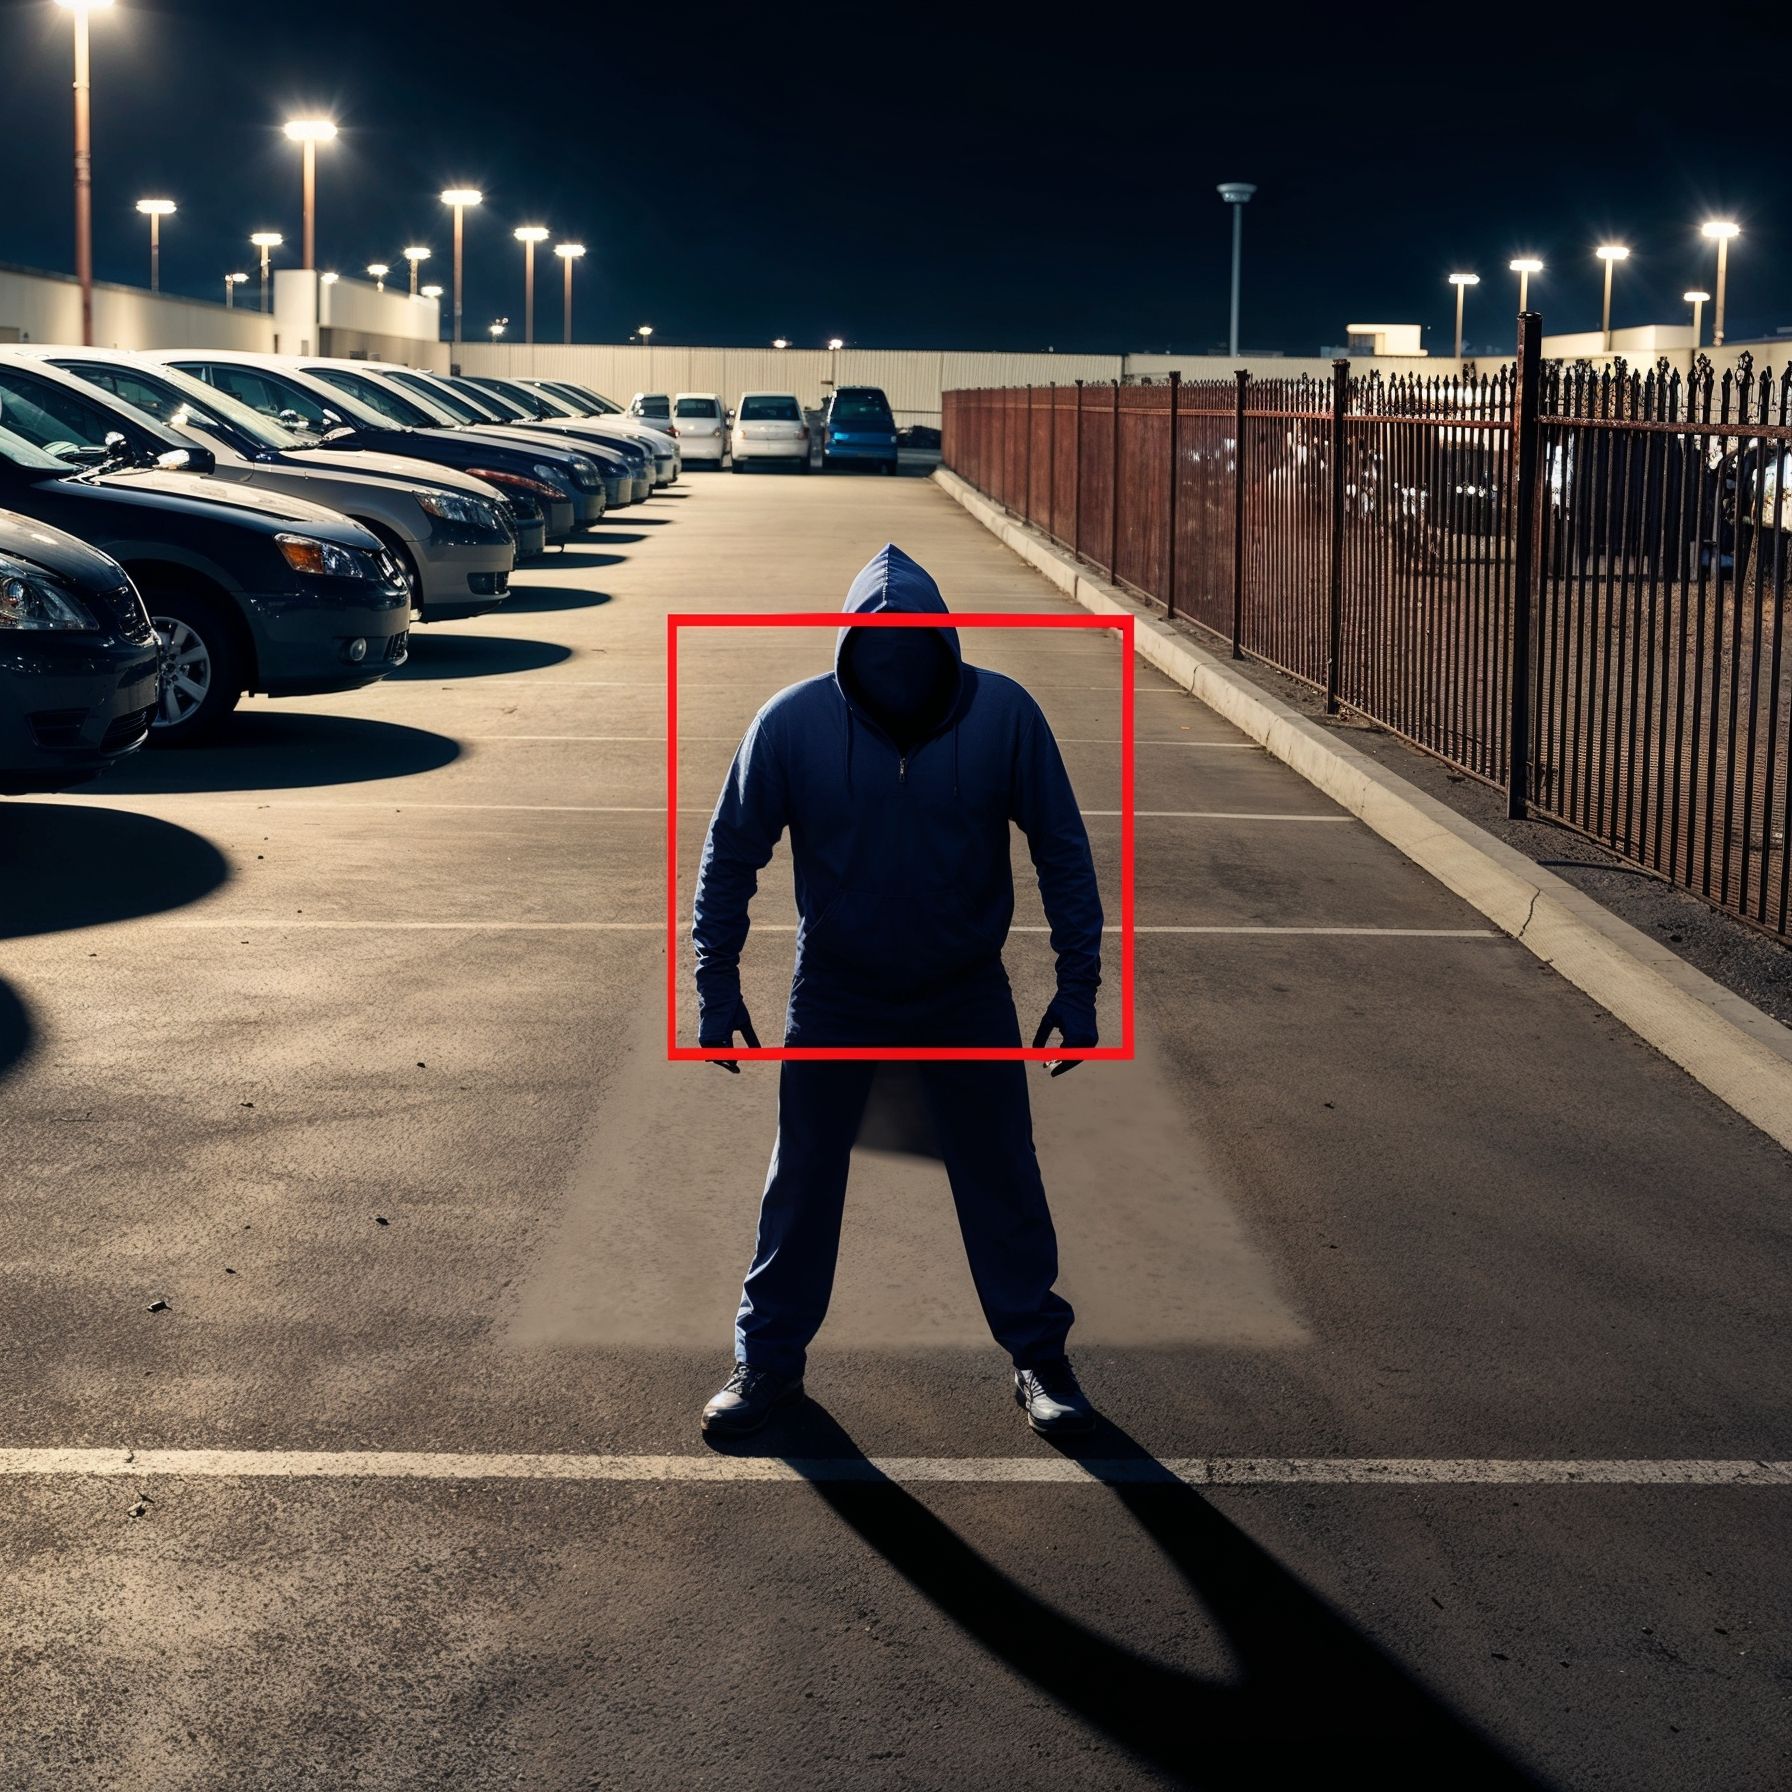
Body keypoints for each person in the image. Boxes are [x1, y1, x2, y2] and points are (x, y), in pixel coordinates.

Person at [692, 543, 1104, 1439]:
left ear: (943, 644)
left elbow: (1062, 852)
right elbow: (730, 854)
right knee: (802, 1180)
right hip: (837, 990)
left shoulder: (1004, 716)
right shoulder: (793, 723)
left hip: (964, 990)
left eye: (914, 651)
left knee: (1001, 1177)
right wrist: (714, 984)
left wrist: (1079, 987)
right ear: (849, 649)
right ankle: (767, 1363)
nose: (896, 670)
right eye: (876, 653)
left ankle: (1040, 1357)